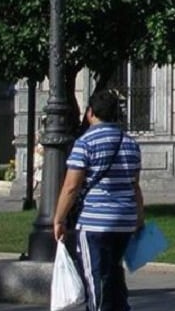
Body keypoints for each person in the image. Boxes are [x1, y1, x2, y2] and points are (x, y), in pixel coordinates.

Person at [54, 89, 143, 311]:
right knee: (114, 273)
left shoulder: (85, 143)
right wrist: (139, 219)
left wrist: (59, 219)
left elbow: (71, 186)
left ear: (90, 113)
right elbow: (135, 185)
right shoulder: (131, 143)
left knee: (95, 277)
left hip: (96, 221)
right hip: (125, 220)